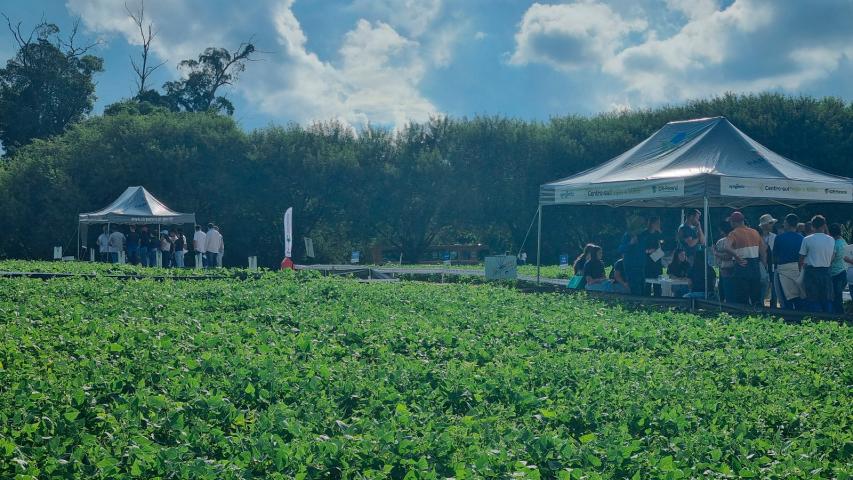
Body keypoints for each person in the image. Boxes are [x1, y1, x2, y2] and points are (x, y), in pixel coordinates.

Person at [723, 211, 767, 306]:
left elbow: (726, 247)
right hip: (755, 266)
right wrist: (764, 265)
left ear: (734, 222)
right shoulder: (755, 232)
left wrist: (737, 256)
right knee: (756, 295)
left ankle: (744, 316)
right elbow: (763, 250)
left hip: (741, 266)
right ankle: (758, 315)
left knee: (742, 295)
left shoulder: (733, 233)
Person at [798, 215, 834, 313]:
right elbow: (831, 257)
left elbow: (801, 258)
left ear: (812, 226)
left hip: (811, 271)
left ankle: (815, 318)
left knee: (812, 298)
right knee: (826, 297)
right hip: (826, 271)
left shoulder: (807, 239)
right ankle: (828, 318)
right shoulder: (831, 239)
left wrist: (800, 270)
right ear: (824, 225)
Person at [774, 214, 805, 310]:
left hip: (783, 271)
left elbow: (775, 256)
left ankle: (788, 321)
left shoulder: (779, 238)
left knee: (785, 300)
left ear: (787, 223)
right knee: (799, 298)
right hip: (798, 270)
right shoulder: (802, 238)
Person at [618, 219, 647, 296]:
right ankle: (636, 304)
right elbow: (621, 249)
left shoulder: (641, 236)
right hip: (631, 267)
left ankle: (641, 304)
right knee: (635, 289)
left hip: (641, 266)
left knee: (642, 288)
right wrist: (630, 243)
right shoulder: (627, 235)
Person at [758, 214, 778, 308]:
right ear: (764, 225)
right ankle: (760, 305)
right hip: (761, 265)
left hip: (773, 265)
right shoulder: (757, 236)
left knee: (774, 287)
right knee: (762, 286)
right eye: (770, 223)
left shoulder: (775, 237)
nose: (772, 225)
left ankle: (773, 307)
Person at [712, 222, 735, 303]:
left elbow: (719, 259)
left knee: (725, 290)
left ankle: (724, 307)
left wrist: (715, 252)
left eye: (720, 231)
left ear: (723, 230)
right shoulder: (737, 239)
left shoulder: (721, 242)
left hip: (725, 269)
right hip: (737, 268)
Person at [828, 223, 847, 314]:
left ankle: (839, 316)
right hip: (844, 272)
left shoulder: (835, 244)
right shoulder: (844, 242)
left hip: (836, 273)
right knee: (838, 296)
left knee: (836, 297)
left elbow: (831, 259)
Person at [643, 216, 664, 296]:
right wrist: (649, 251)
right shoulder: (644, 234)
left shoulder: (658, 234)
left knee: (657, 285)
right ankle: (647, 302)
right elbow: (640, 249)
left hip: (657, 262)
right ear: (652, 224)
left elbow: (663, 245)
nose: (659, 225)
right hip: (647, 263)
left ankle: (658, 301)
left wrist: (660, 233)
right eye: (657, 223)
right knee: (647, 284)